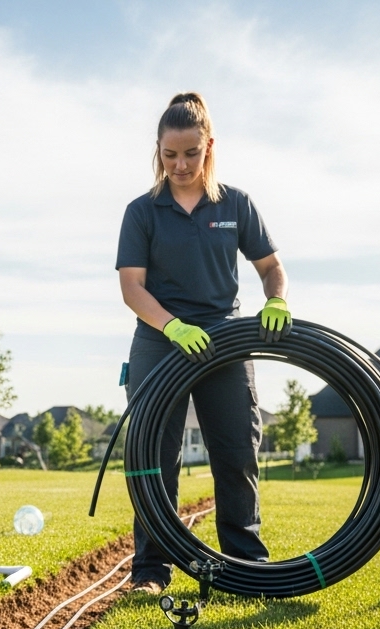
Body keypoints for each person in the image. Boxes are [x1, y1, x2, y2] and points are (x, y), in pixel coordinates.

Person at [115, 92, 292, 594]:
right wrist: (171, 326)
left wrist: (275, 300)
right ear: (158, 150)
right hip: (159, 341)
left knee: (236, 452)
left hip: (223, 343)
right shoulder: (143, 211)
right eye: (169, 155)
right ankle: (151, 571)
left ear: (209, 146)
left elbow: (270, 267)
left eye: (190, 153)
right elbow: (132, 287)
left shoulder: (235, 204)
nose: (180, 165)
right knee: (154, 457)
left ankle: (244, 566)